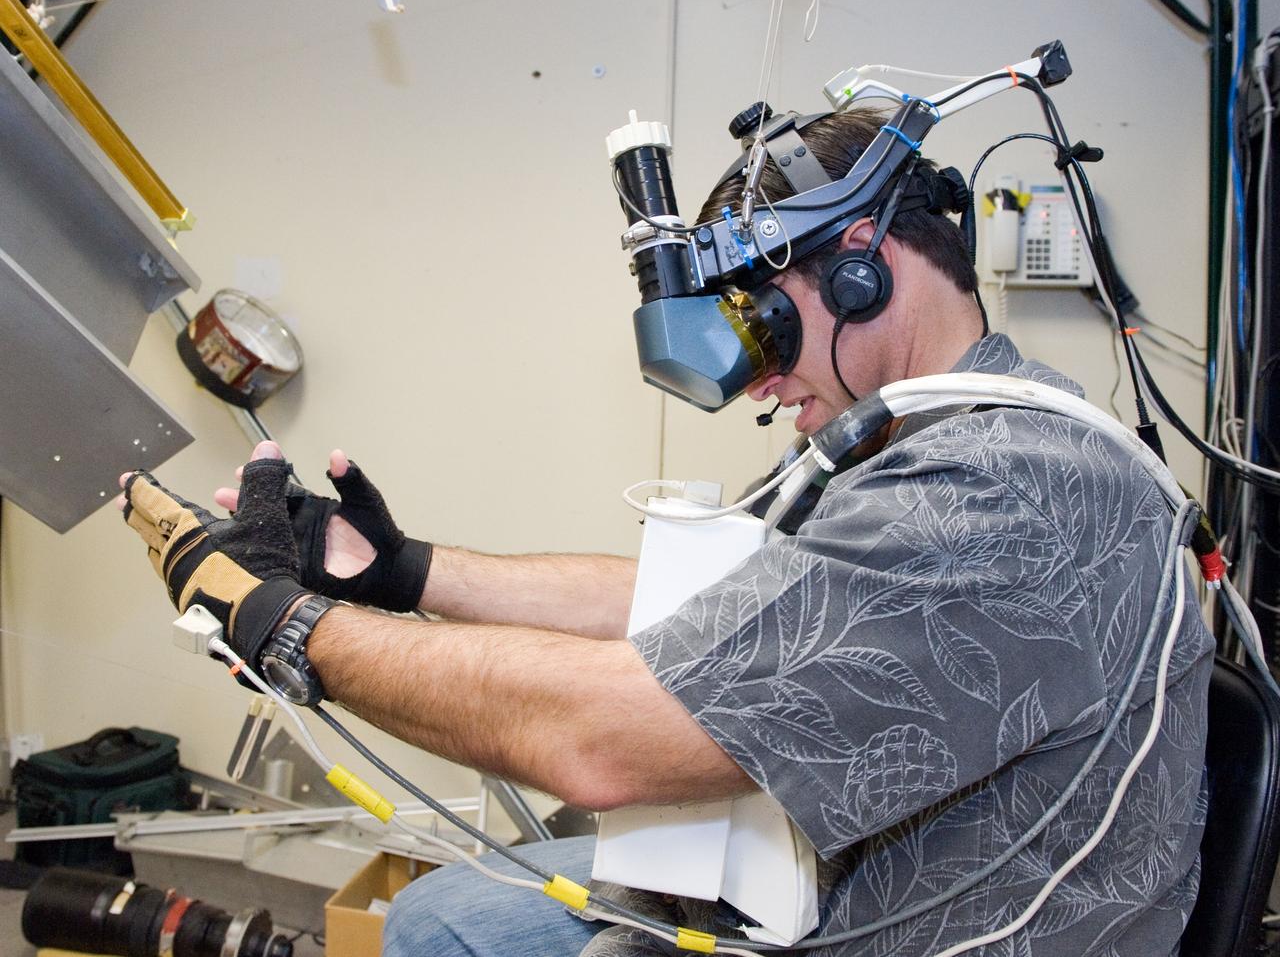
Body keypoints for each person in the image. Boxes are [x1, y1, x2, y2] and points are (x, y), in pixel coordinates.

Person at [118, 108, 1212, 957]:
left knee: (473, 909)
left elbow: (598, 744)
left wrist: (276, 623)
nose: (755, 379)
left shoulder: (995, 491)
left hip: (916, 928)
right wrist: (404, 573)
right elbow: (715, 597)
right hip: (850, 884)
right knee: (451, 915)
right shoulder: (925, 430)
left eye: (758, 320)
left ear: (863, 263)